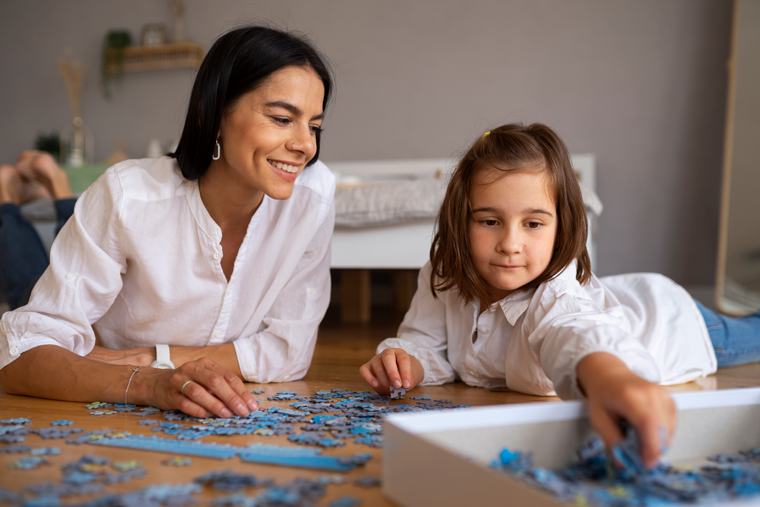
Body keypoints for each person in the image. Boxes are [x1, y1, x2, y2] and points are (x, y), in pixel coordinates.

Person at [360, 123, 760, 468]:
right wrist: (405, 362)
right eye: (489, 221)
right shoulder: (444, 273)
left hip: (674, 323)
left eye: (533, 223)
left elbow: (574, 330)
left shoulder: (555, 296)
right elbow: (425, 341)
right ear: (459, 220)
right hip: (624, 299)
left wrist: (611, 375)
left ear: (561, 229)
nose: (510, 243)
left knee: (751, 334)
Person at [0, 26, 335, 420]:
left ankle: (41, 190)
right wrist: (148, 383)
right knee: (24, 283)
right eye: (282, 118)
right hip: (105, 405)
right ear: (212, 115)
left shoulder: (314, 196)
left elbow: (289, 352)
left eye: (314, 126)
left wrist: (150, 357)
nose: (306, 146)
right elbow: (19, 351)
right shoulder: (128, 195)